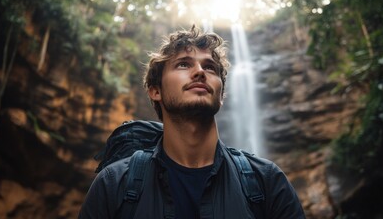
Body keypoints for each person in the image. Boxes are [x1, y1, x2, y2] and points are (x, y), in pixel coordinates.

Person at [78, 26, 305, 218]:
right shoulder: (114, 184)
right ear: (155, 91)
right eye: (184, 64)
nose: (199, 72)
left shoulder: (266, 181)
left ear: (221, 95)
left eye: (210, 67)